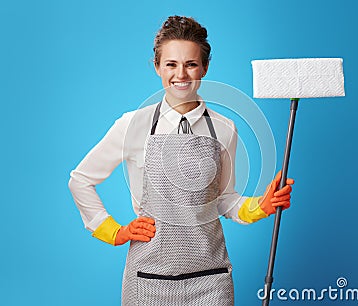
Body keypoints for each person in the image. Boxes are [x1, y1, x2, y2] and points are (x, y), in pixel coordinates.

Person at [68, 15, 294, 306]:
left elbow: (225, 199)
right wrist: (114, 231)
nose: (181, 75)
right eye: (171, 64)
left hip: (211, 279)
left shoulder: (225, 128)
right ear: (157, 67)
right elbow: (81, 180)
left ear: (205, 67)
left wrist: (260, 207)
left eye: (191, 64)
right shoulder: (133, 125)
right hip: (147, 278)